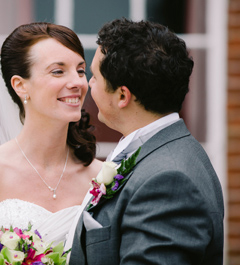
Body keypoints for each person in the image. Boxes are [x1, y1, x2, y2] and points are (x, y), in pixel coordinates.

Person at [0, 22, 102, 258]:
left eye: (80, 70)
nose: (77, 82)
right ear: (20, 85)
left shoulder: (102, 180)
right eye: (58, 71)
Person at [69, 18, 223, 264]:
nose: (88, 83)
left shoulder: (169, 182)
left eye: (94, 76)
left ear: (122, 95)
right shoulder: (157, 152)